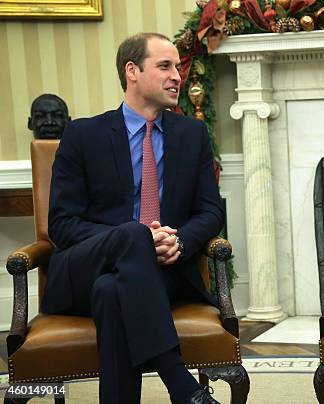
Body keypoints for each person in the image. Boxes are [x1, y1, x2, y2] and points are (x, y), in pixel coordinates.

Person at [42, 32, 224, 404]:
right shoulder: (83, 135)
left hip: (161, 272)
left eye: (178, 66)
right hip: (83, 269)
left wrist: (180, 241)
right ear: (132, 71)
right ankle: (181, 385)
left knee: (111, 292)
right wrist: (136, 239)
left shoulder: (191, 135)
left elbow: (210, 211)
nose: (178, 75)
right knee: (131, 236)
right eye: (165, 66)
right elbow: (61, 223)